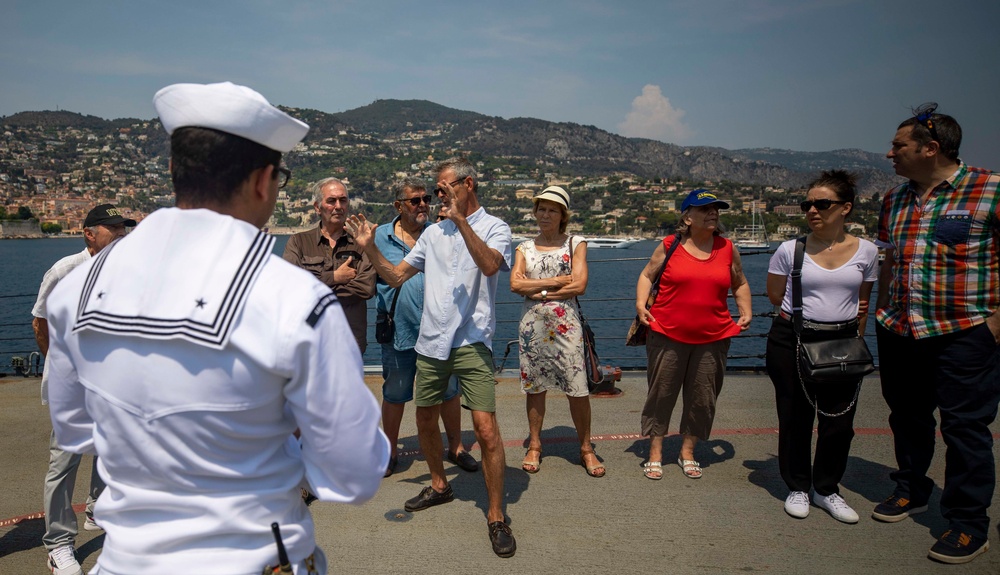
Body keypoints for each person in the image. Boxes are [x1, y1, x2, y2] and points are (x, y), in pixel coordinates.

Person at [44, 81, 389, 574]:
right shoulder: (294, 301)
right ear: (264, 181)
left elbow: (75, 429)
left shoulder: (75, 290)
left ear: (172, 170)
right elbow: (354, 475)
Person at [346, 156, 516, 558]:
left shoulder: (496, 227)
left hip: (472, 342)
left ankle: (495, 516)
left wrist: (460, 222)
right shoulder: (433, 234)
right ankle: (440, 484)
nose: (438, 197)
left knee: (486, 429)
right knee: (424, 417)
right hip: (430, 342)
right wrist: (370, 249)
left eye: (442, 189)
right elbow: (396, 275)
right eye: (436, 191)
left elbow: (491, 266)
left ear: (467, 184)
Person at [874, 104, 1000, 565]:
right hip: (900, 327)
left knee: (965, 429)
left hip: (965, 331)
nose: (890, 153)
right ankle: (912, 488)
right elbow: (890, 258)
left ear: (931, 149)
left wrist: (995, 324)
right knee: (906, 416)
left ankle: (968, 524)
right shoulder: (894, 199)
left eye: (899, 146)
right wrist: (880, 311)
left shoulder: (992, 190)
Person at [764, 171, 878, 524]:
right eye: (807, 204)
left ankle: (827, 488)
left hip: (843, 341)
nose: (812, 210)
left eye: (822, 204)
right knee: (795, 417)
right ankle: (797, 485)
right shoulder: (789, 250)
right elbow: (774, 295)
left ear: (845, 208)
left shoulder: (867, 251)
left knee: (839, 422)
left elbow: (864, 303)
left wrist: (856, 341)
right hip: (792, 338)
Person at [32, 203, 134, 575]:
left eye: (123, 228)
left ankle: (97, 508)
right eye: (113, 229)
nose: (121, 235)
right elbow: (39, 322)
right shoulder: (64, 271)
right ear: (89, 234)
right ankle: (58, 544)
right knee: (64, 463)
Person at [634, 189, 751, 480]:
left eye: (716, 209)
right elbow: (648, 275)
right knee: (662, 394)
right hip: (667, 333)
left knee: (703, 398)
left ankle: (687, 450)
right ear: (687, 217)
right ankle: (656, 451)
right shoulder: (670, 245)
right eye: (704, 209)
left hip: (714, 336)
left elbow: (740, 281)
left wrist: (745, 309)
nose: (713, 213)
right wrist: (640, 305)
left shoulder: (726, 248)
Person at [375, 177, 477, 477]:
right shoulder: (379, 236)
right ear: (398, 205)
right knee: (394, 393)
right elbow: (367, 275)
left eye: (426, 199)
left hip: (437, 330)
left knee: (448, 390)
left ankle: (456, 447)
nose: (423, 205)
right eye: (414, 200)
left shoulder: (440, 232)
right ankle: (390, 452)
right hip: (398, 330)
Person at [509, 186, 605, 477]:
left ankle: (586, 448)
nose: (545, 214)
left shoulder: (576, 242)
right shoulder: (523, 247)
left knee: (577, 389)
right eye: (541, 208)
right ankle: (535, 445)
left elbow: (579, 285)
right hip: (533, 327)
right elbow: (515, 285)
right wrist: (558, 281)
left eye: (552, 209)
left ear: (563, 215)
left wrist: (537, 290)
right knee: (535, 387)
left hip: (567, 327)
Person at [284, 177, 376, 353]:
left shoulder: (362, 243)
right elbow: (291, 286)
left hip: (349, 339)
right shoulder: (299, 242)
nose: (338, 206)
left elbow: (365, 288)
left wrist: (313, 290)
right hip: (308, 338)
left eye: (343, 200)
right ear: (317, 207)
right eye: (331, 201)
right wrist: (335, 277)